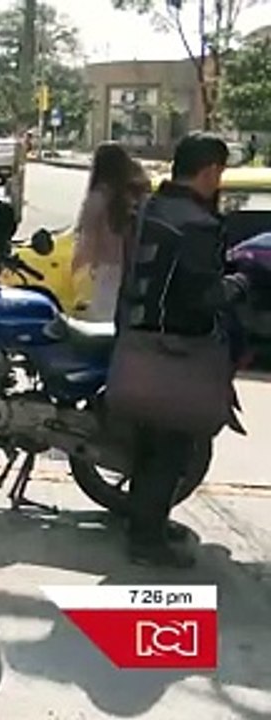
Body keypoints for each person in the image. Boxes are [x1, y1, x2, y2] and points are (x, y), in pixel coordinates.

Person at [118, 132, 247, 569]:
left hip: (138, 340)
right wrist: (239, 283)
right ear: (210, 171)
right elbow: (201, 297)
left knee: (149, 447)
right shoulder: (197, 225)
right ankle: (146, 542)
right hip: (176, 349)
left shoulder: (150, 208)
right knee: (171, 449)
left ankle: (146, 523)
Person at [72, 142, 150, 321]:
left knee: (103, 322)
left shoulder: (98, 198)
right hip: (135, 270)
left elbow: (87, 242)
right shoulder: (137, 196)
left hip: (106, 272)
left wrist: (76, 270)